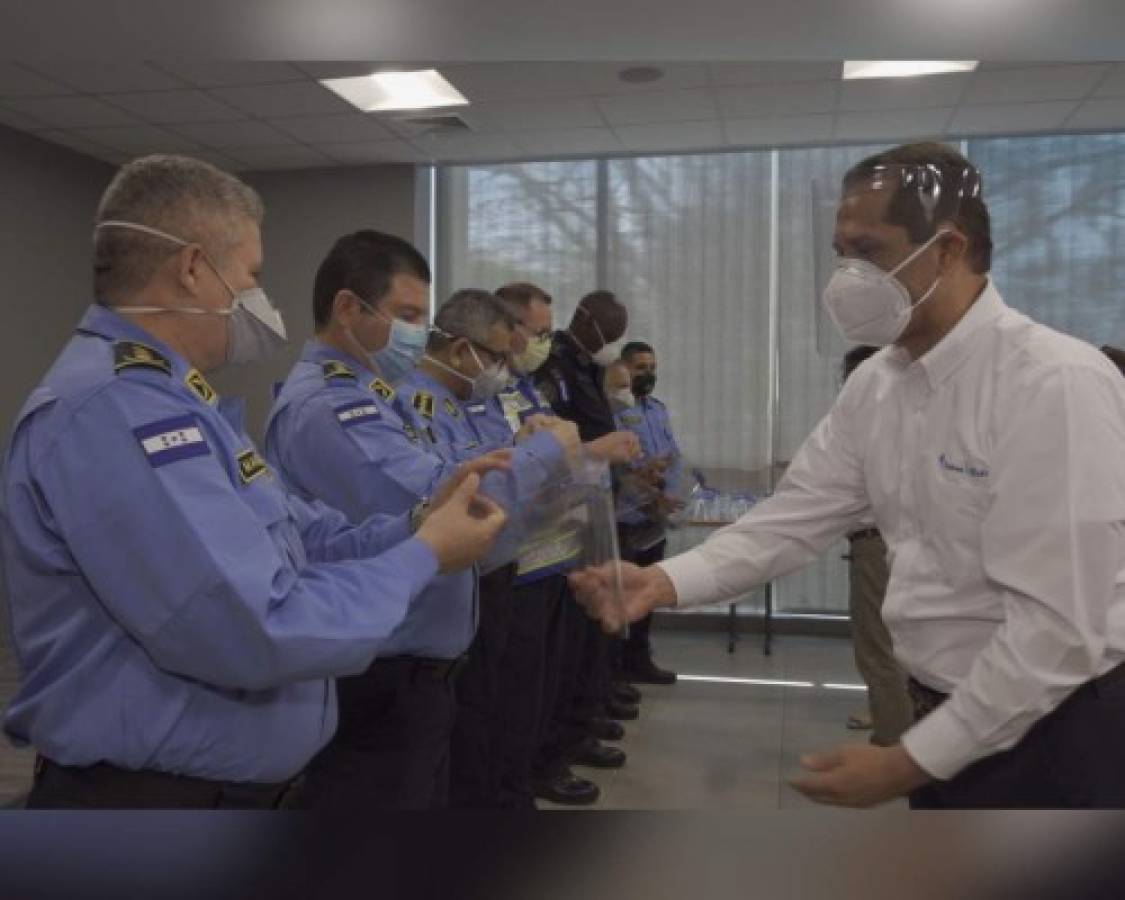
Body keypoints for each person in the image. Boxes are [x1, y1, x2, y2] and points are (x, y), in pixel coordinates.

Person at [572, 141, 1125, 809]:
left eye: (867, 251)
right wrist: (661, 581)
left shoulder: (1051, 383)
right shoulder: (878, 384)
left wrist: (910, 762)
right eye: (839, 252)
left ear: (946, 251)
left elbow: (1058, 629)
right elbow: (795, 515)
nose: (844, 276)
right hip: (942, 710)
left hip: (1053, 729)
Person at [0, 155, 506, 809]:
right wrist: (424, 555)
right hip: (154, 803)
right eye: (251, 275)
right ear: (192, 269)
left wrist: (415, 524)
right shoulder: (116, 408)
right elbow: (256, 626)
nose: (261, 298)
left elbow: (298, 534)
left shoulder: (179, 398)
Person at [263, 232, 540, 810]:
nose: (420, 331)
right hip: (380, 670)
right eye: (408, 315)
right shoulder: (334, 404)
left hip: (414, 664)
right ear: (347, 308)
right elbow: (431, 504)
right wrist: (551, 454)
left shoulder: (377, 392)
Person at [394, 288, 582, 808]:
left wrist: (527, 439)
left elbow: (500, 471)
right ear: (460, 350)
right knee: (465, 732)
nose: (506, 368)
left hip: (497, 572)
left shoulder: (469, 404)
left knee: (491, 716)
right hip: (447, 589)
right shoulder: (413, 402)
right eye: (497, 356)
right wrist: (536, 455)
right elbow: (455, 496)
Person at [536, 291, 635, 776]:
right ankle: (561, 746)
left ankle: (582, 725)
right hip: (563, 515)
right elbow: (560, 446)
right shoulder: (554, 369)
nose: (611, 348)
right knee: (567, 646)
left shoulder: (586, 367)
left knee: (591, 635)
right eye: (609, 337)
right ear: (589, 325)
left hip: (593, 507)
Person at [839, 345, 913, 747]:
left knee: (877, 647)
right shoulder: (899, 418)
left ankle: (894, 742)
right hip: (891, 543)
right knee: (892, 646)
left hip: (877, 544)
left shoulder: (874, 425)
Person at [613, 340, 681, 686]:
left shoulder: (657, 409)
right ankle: (614, 673)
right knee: (620, 599)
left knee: (646, 595)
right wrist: (645, 492)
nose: (648, 374)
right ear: (623, 368)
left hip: (655, 521)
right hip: (624, 521)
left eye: (652, 368)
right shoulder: (615, 411)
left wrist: (668, 495)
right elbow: (619, 469)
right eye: (641, 368)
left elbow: (673, 459)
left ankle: (640, 661)